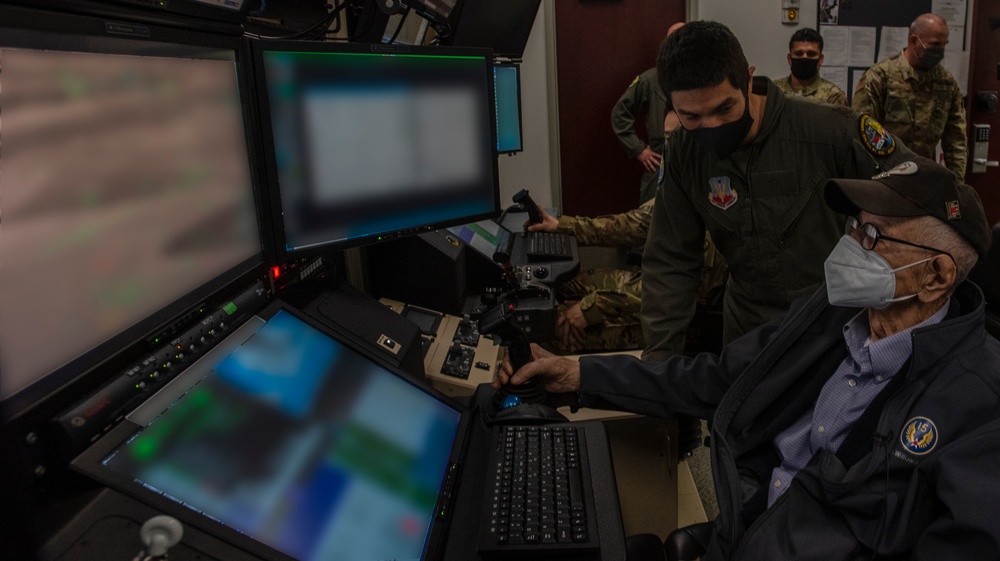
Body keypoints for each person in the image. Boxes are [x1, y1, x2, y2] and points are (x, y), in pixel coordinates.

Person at [496, 157, 999, 560]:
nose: (849, 246)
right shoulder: (830, 311)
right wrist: (580, 373)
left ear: (935, 277)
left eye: (872, 238)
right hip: (748, 521)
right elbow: (718, 378)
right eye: (854, 227)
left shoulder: (978, 401)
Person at [641, 21, 915, 362]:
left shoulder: (828, 131)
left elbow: (918, 190)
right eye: (691, 116)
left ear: (748, 78)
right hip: (746, 328)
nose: (710, 126)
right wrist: (659, 364)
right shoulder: (684, 151)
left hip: (828, 324)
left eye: (724, 108)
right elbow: (670, 260)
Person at [526, 201, 727, 353]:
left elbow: (676, 291)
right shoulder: (684, 183)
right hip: (656, 281)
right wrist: (564, 227)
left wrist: (592, 308)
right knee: (565, 284)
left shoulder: (714, 205)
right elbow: (632, 224)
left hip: (684, 315)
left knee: (555, 329)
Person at [852, 13, 967, 178]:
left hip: (925, 179)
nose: (940, 50)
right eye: (935, 44)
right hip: (885, 179)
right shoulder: (880, 77)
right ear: (914, 41)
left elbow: (956, 142)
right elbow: (862, 137)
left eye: (944, 44)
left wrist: (957, 186)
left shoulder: (946, 83)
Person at [611, 21, 685, 204]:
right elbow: (620, 114)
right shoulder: (650, 80)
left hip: (694, 160)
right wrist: (638, 149)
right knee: (649, 222)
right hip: (660, 161)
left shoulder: (705, 78)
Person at [773, 27, 847, 107]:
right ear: (789, 59)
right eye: (799, 54)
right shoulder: (774, 90)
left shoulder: (834, 96)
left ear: (821, 59)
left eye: (811, 54)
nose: (804, 58)